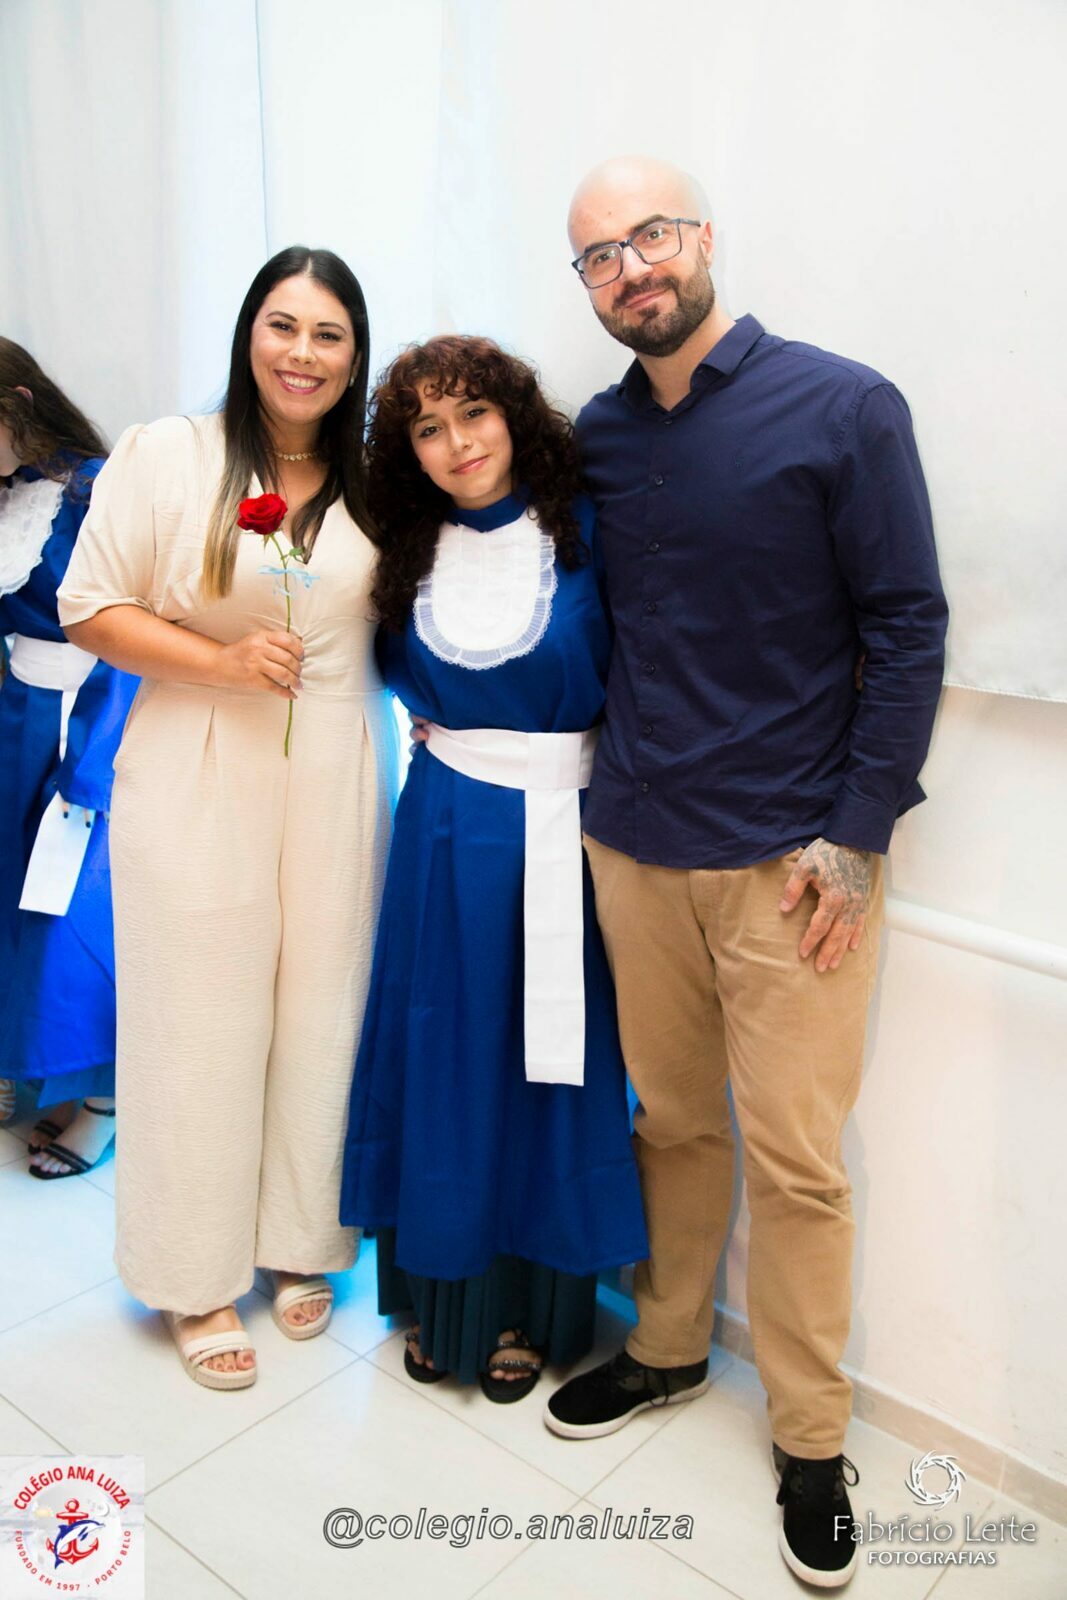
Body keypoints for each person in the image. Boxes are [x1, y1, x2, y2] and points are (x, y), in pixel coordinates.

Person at [545, 157, 948, 1588]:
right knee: (669, 1124)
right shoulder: (595, 437)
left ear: (702, 236)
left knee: (794, 1162)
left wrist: (855, 834)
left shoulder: (843, 405)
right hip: (632, 840)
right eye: (597, 257)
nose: (629, 269)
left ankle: (809, 1440)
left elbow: (906, 625)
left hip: (793, 865)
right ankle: (664, 1348)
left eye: (648, 236)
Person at [58, 247, 398, 1389]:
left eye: (329, 334)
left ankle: (300, 1237)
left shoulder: (377, 481)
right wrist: (219, 659)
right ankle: (192, 1272)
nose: (302, 353)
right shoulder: (171, 453)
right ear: (249, 333)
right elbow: (88, 606)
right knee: (198, 1018)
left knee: (323, 1010)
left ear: (355, 356)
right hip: (197, 758)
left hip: (339, 765)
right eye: (282, 325)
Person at [340, 335, 648, 1401]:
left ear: (514, 417)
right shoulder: (399, 551)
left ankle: (530, 1304)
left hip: (567, 827)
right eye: (427, 427)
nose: (457, 442)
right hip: (441, 828)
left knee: (548, 1065)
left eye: (473, 412)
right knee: (445, 1053)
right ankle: (442, 1292)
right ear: (408, 453)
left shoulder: (590, 532)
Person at [0, 338, 137, 1176]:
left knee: (78, 916)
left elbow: (130, 632)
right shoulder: (9, 490)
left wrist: (91, 760)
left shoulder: (98, 489)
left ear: (18, 401)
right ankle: (38, 1073)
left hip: (85, 718)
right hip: (16, 718)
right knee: (16, 905)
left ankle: (104, 1104)